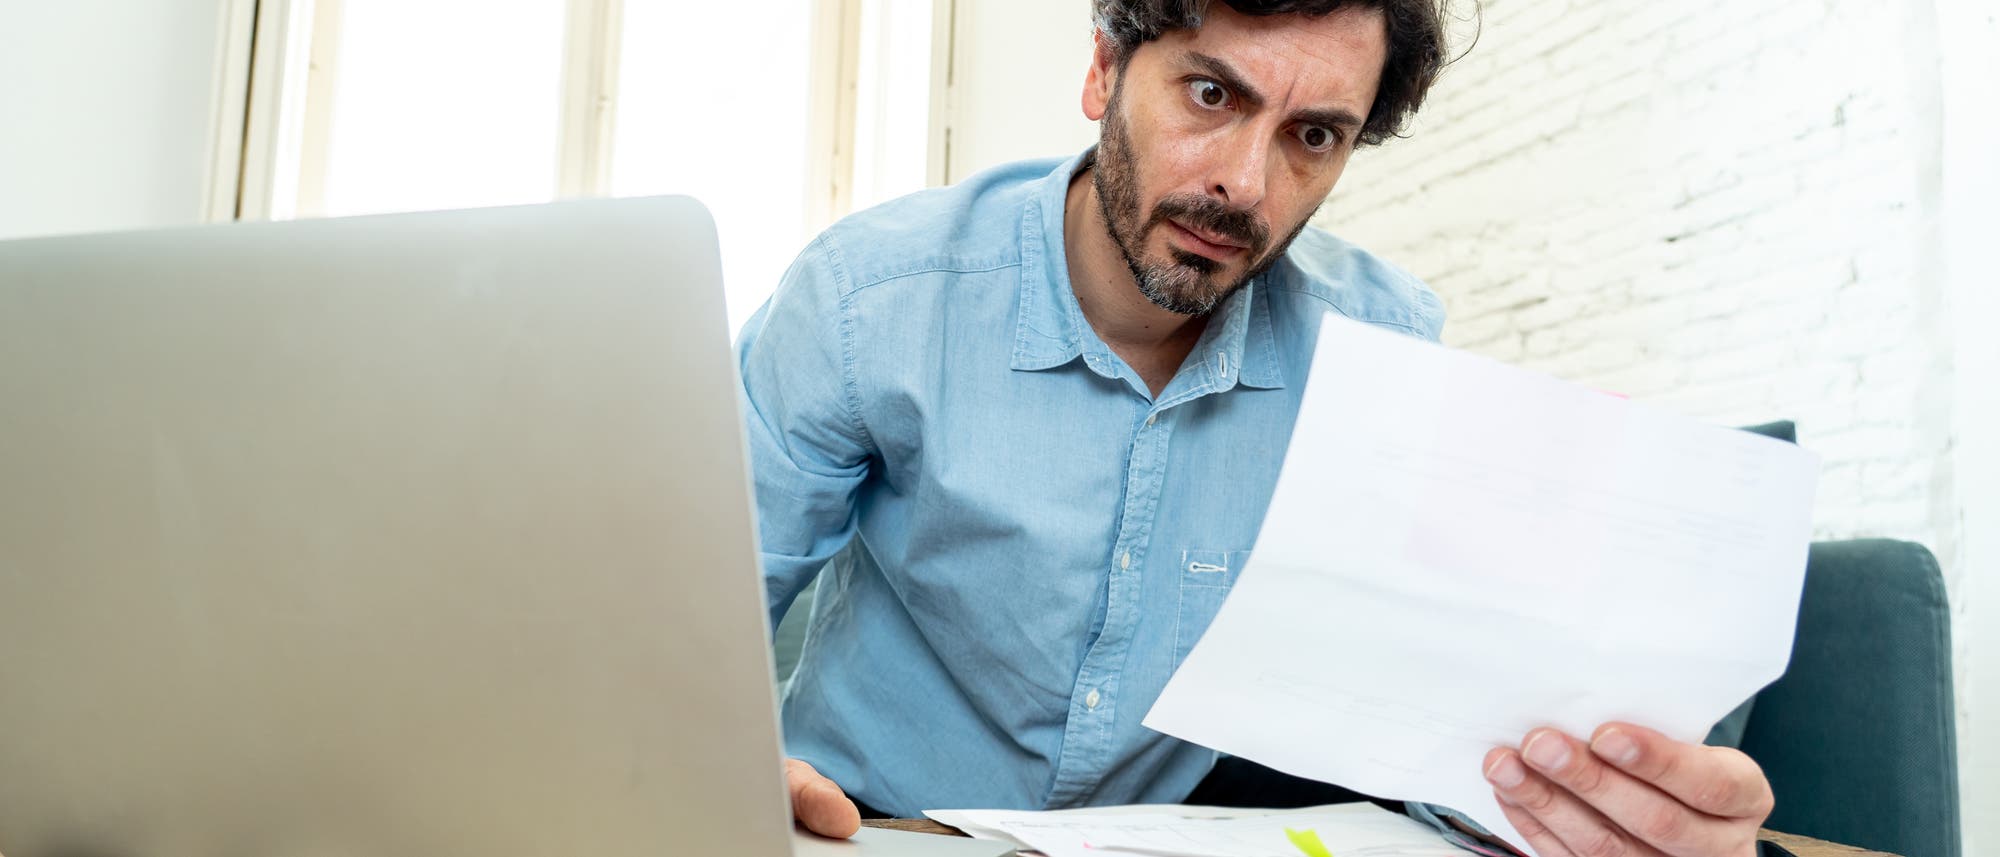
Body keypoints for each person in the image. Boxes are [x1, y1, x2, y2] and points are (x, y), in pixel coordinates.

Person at [737, 2, 1776, 855]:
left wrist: (1602, 803)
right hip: (860, 828)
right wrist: (715, 765)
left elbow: (1431, 729)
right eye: (1208, 93)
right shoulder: (867, 301)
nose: (1244, 182)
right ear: (1104, 70)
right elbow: (685, 626)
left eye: (1310, 135)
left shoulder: (1379, 350)